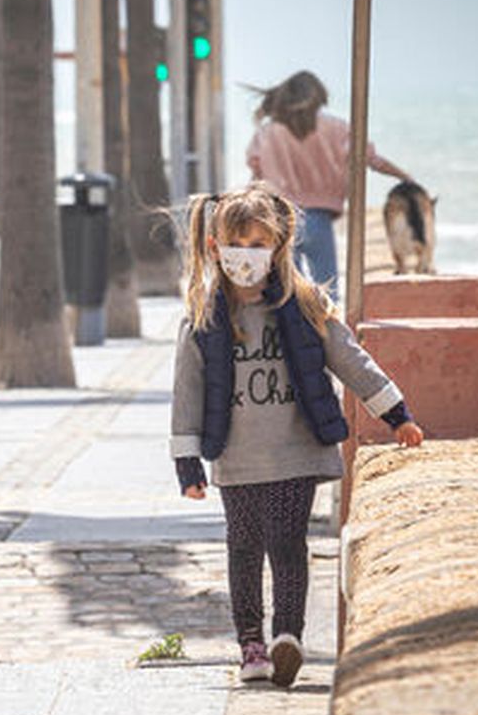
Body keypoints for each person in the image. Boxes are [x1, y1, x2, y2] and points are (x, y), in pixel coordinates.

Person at [170, 183, 424, 688]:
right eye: (238, 243)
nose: (248, 255)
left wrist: (396, 414)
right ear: (216, 247)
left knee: (287, 543)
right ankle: (251, 644)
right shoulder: (204, 317)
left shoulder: (304, 305)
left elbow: (352, 360)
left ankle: (287, 635)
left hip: (296, 453)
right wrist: (187, 463)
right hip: (236, 458)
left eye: (259, 243)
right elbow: (187, 392)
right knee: (243, 548)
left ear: (278, 247)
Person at [246, 71, 413, 296]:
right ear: (318, 97)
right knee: (328, 292)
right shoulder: (337, 127)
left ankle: (294, 331)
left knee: (288, 293)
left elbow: (256, 177)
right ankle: (325, 331)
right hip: (319, 220)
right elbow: (372, 159)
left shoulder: (267, 132)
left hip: (281, 220)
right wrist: (405, 177)